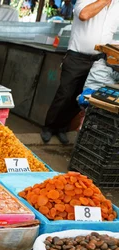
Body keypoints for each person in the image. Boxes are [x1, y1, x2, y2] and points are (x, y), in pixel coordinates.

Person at [41, 0, 118, 144]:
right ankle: (49, 127)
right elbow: (84, 15)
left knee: (83, 97)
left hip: (100, 60)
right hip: (77, 57)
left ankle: (63, 128)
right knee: (65, 94)